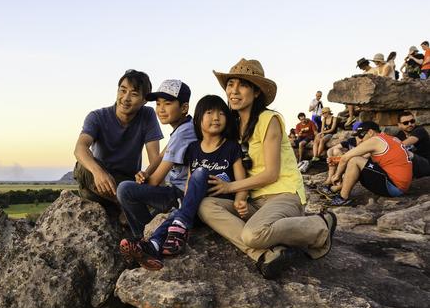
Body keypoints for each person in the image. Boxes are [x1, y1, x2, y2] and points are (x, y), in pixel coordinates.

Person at [198, 58, 336, 280]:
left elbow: (271, 173)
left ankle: (319, 226)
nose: (234, 91)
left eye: (242, 85)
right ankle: (266, 254)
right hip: (255, 202)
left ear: (256, 93)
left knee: (253, 235)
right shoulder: (233, 126)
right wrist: (240, 197)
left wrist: (230, 187)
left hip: (284, 195)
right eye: (230, 84)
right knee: (206, 205)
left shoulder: (268, 119)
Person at [120, 95, 247, 270]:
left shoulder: (231, 147)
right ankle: (152, 246)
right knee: (177, 214)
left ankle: (175, 228)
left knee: (200, 173)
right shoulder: (194, 148)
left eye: (221, 114)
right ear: (199, 119)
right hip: (192, 204)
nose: (216, 118)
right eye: (209, 113)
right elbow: (189, 181)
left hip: (215, 203)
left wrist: (240, 200)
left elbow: (242, 181)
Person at [116, 79, 196, 239]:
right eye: (158, 104)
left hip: (180, 195)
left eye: (167, 103)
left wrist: (143, 181)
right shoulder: (186, 127)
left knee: (125, 190)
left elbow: (155, 180)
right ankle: (151, 232)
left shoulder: (183, 133)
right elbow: (161, 156)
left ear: (184, 107)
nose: (161, 109)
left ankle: (145, 237)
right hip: (178, 193)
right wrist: (145, 173)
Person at [73, 69, 162, 205]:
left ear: (144, 100)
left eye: (134, 94)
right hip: (100, 178)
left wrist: (149, 178)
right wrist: (98, 172)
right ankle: (127, 205)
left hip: (128, 181)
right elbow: (80, 148)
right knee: (82, 167)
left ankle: (126, 204)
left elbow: (155, 158)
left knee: (155, 181)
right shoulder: (97, 117)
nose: (125, 98)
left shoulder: (147, 115)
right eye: (122, 90)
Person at [328, 121, 412, 206]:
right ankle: (336, 188)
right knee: (357, 163)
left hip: (393, 187)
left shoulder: (375, 140)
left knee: (354, 161)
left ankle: (342, 198)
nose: (360, 139)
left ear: (370, 132)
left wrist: (337, 175)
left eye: (361, 135)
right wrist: (336, 160)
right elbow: (363, 159)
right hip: (399, 185)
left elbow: (346, 158)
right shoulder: (388, 138)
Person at [395, 111, 430, 178]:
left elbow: (410, 141)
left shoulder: (420, 130)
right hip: (412, 168)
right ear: (399, 125)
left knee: (407, 153)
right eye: (406, 123)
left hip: (426, 165)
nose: (410, 124)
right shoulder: (399, 135)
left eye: (412, 121)